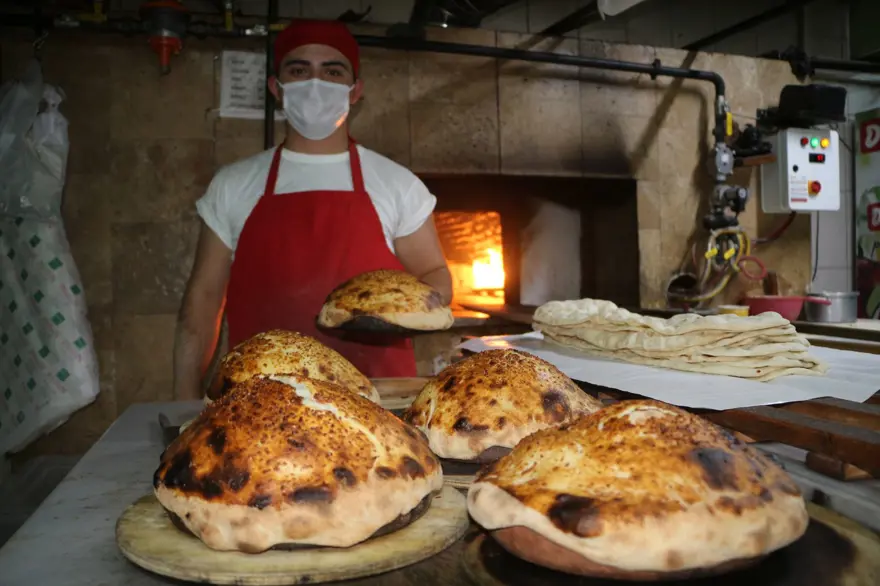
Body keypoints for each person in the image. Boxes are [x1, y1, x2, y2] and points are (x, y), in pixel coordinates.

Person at [172, 19, 453, 400]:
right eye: (299, 70)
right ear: (277, 88)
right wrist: (183, 400)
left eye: (332, 71)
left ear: (355, 92)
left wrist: (417, 306)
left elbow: (434, 272)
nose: (315, 83)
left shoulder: (396, 184)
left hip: (379, 397)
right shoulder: (233, 184)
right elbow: (203, 302)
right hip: (260, 402)